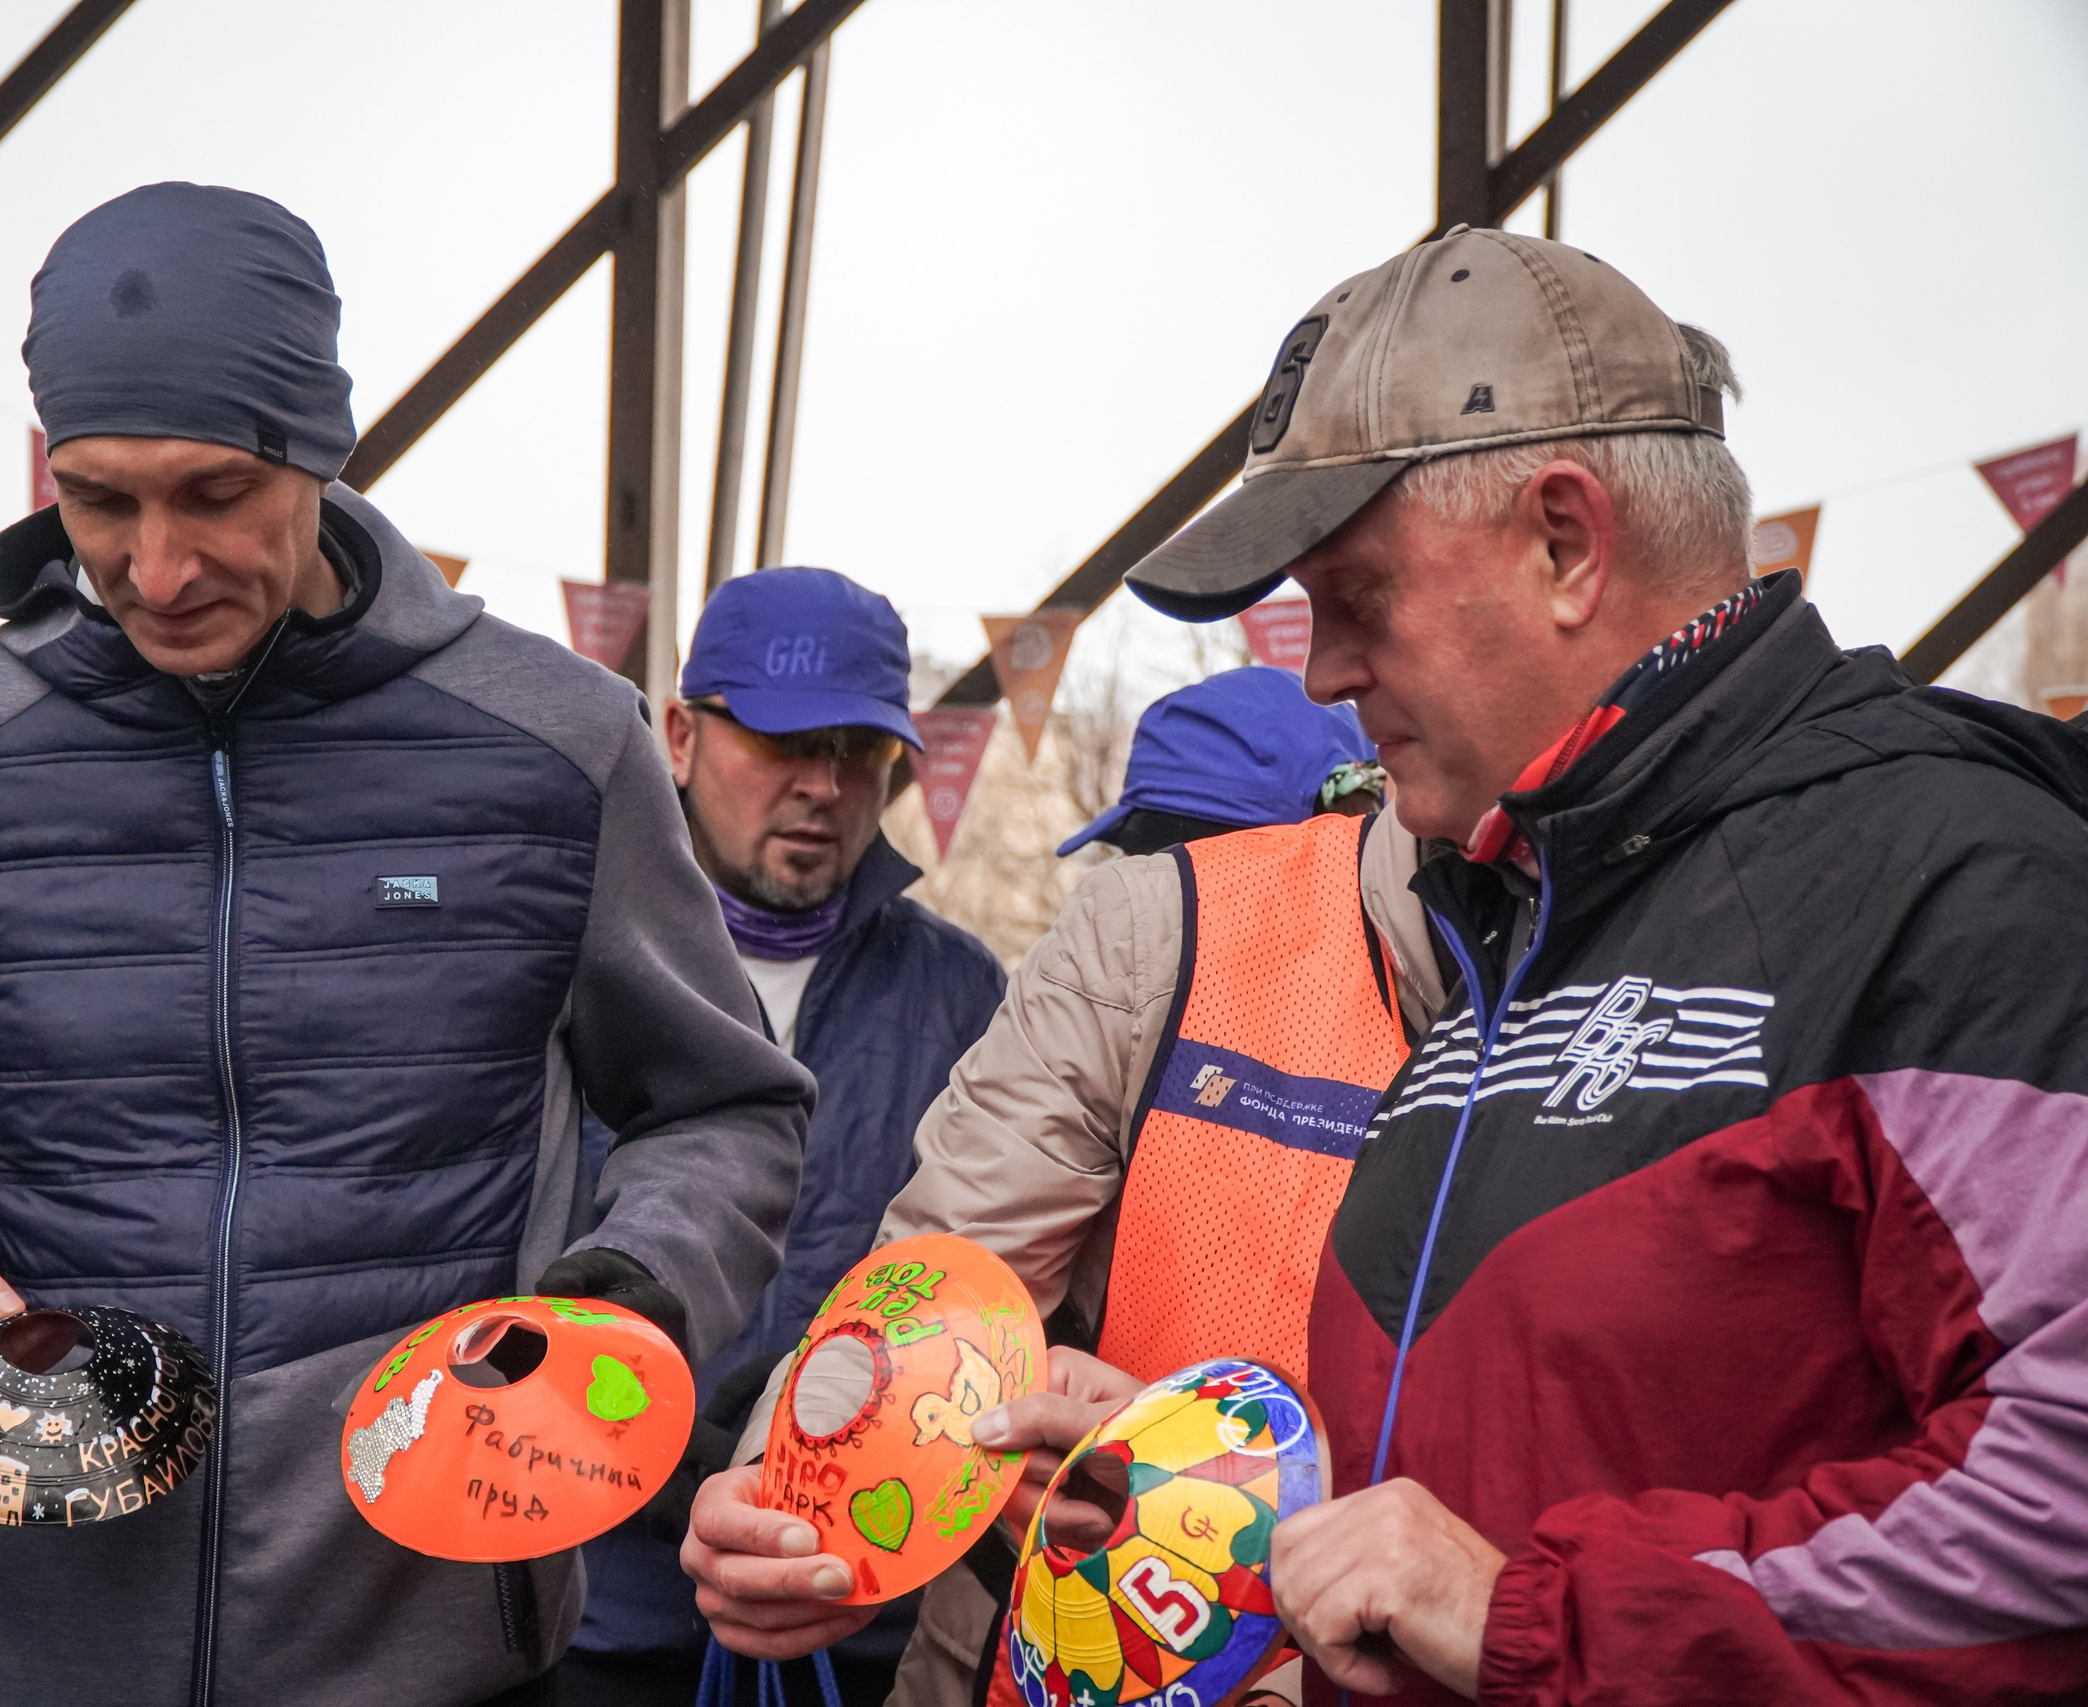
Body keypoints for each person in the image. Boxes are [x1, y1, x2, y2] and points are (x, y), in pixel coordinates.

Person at [0, 182, 812, 1707]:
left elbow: (725, 1107)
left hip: (441, 1639)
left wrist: (623, 1298)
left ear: (323, 447)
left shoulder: (555, 743)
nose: (158, 566)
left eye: (217, 491)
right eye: (99, 500)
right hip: (24, 1643)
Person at [1112, 227, 2088, 1702]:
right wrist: (1188, 1479)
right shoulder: (1513, 900)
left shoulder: (1956, 880)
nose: (1319, 671)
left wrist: (1534, 1618)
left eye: (1355, 595)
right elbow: (1505, 1449)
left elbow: (2061, 1489)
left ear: (1565, 542)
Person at [681, 665, 1442, 1707]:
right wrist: (800, 1479)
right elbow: (947, 1267)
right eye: (1143, 844)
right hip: (1021, 1633)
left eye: (1194, 836)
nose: (1180, 877)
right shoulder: (1129, 944)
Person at [564, 568, 1005, 1707]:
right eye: (784, 741)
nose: (824, 784)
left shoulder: (969, 997)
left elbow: (989, 1293)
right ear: (678, 736)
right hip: (589, 1596)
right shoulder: (563, 966)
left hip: (846, 1605)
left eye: (863, 750)